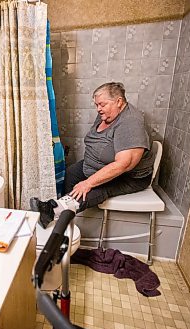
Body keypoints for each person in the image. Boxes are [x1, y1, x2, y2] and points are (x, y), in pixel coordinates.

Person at [31, 82, 155, 228]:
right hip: (96, 165)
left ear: (119, 102)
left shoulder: (130, 122)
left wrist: (88, 183)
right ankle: (65, 215)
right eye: (97, 105)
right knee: (70, 173)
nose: (98, 109)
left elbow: (125, 164)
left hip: (127, 177)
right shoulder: (108, 113)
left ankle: (52, 211)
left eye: (102, 105)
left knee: (94, 189)